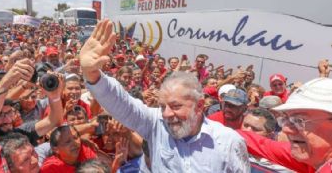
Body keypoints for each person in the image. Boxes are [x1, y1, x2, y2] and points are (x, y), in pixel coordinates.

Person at [79, 20, 250, 172]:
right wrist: (92, 74)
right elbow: (122, 103)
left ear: (199, 106)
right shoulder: (155, 124)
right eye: (162, 106)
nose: (166, 114)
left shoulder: (229, 143)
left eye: (175, 106)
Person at [238, 78, 332, 172]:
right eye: (286, 119)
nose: (286, 129)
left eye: (299, 120)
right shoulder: (314, 155)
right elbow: (262, 145)